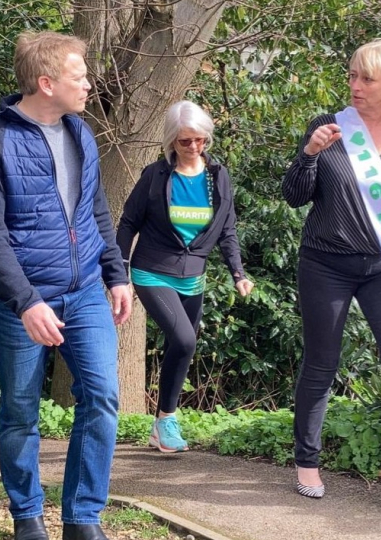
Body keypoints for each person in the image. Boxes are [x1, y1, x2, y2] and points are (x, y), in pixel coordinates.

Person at [0, 31, 131, 540]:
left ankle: (83, 518)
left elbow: (95, 210)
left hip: (83, 293)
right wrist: (24, 302)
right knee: (19, 410)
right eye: (79, 76)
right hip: (22, 301)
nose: (88, 84)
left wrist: (116, 272)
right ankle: (27, 517)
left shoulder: (80, 132)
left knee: (102, 397)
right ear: (46, 82)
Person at [282, 38, 381, 515]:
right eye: (351, 75)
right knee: (322, 363)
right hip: (325, 263)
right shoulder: (329, 128)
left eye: (366, 78)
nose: (355, 86)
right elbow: (293, 195)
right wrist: (309, 153)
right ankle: (306, 462)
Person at [116, 100, 254, 453]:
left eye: (200, 140)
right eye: (185, 141)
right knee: (185, 339)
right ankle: (169, 420)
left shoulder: (217, 176)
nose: (193, 147)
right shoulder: (155, 175)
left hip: (194, 275)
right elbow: (129, 222)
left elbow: (227, 229)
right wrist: (120, 272)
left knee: (182, 348)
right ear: (171, 142)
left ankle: (161, 423)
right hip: (152, 269)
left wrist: (238, 272)